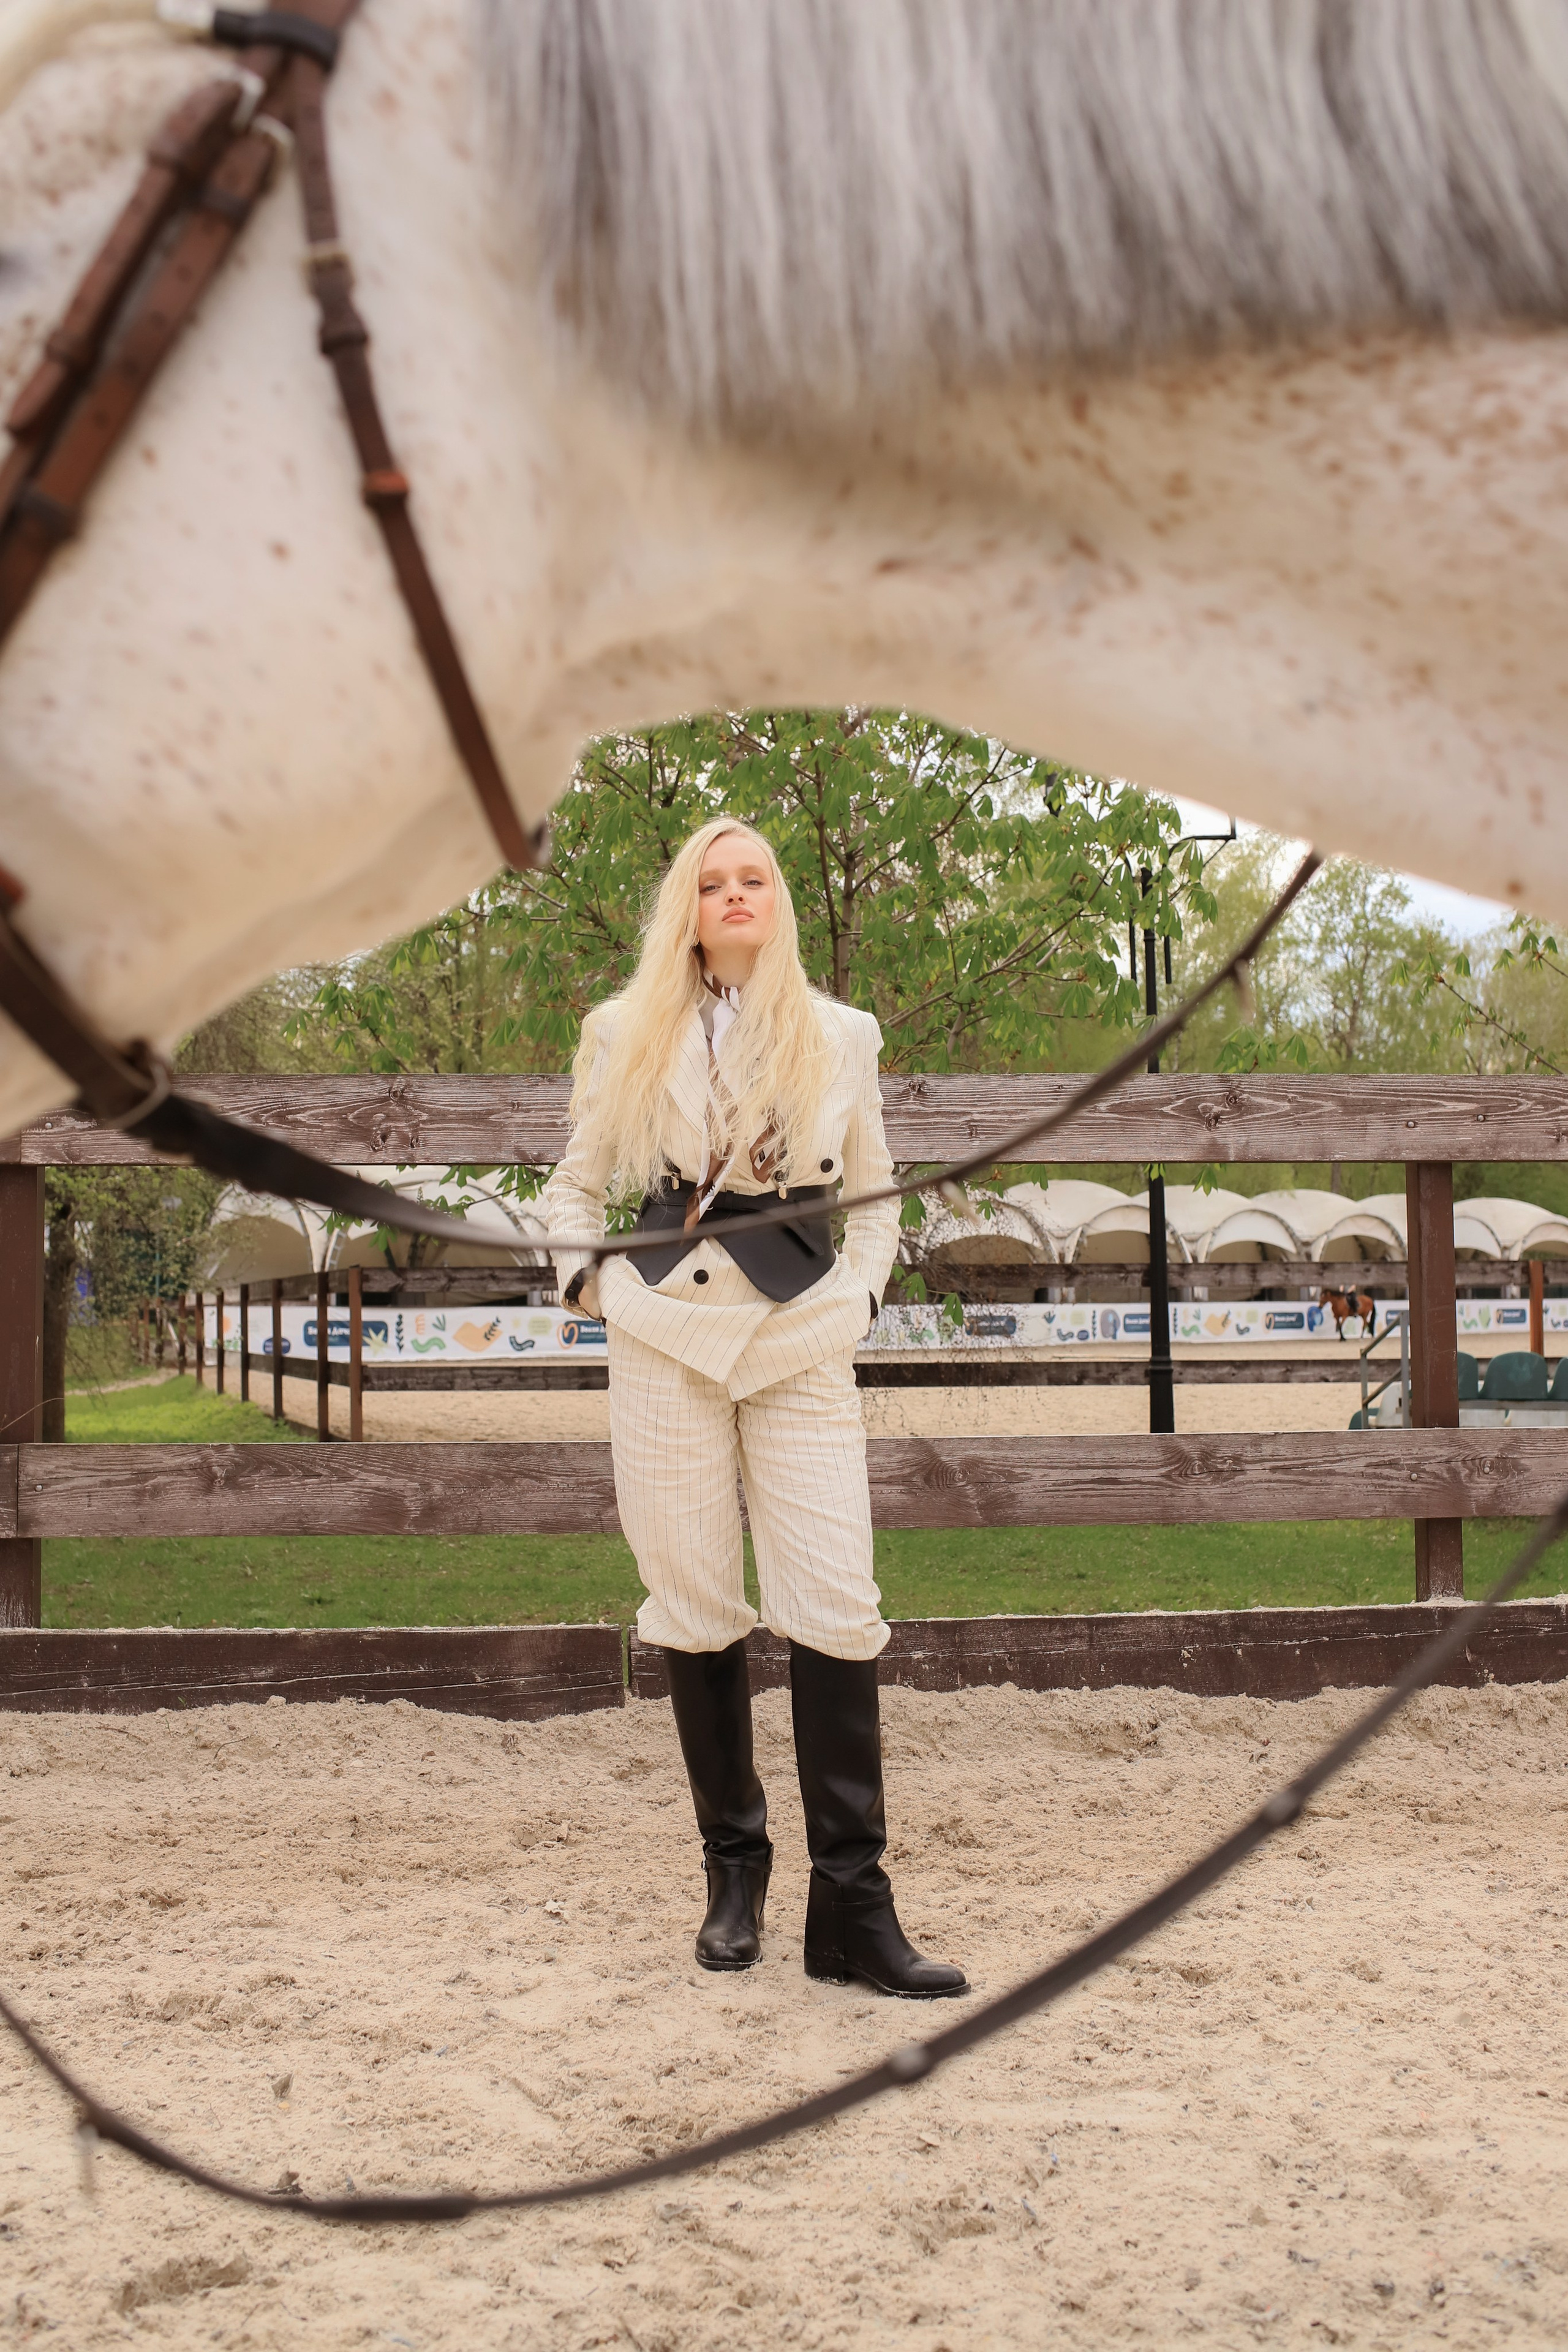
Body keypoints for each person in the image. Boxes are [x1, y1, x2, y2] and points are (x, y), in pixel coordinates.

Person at [542, 818, 967, 2000]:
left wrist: (861, 1298)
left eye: (755, 879)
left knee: (836, 1599)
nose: (735, 896)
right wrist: (594, 1288)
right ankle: (735, 1875)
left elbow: (876, 1196)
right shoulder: (623, 1032)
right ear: (687, 910)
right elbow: (576, 1187)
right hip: (666, 1334)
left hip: (801, 1338)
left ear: (778, 902)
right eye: (712, 882)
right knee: (690, 1599)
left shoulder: (843, 1035)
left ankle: (854, 1909)